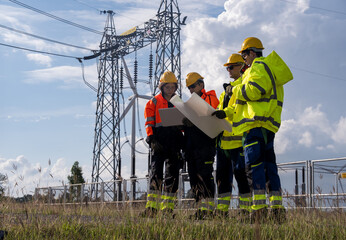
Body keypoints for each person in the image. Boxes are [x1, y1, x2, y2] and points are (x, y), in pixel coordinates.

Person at [213, 37, 293, 223]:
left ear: (250, 53)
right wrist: (224, 113)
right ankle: (276, 210)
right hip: (265, 124)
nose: (244, 61)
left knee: (254, 167)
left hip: (254, 125)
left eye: (244, 55)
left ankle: (258, 212)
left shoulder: (258, 67)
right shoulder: (266, 69)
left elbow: (254, 91)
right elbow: (240, 106)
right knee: (268, 167)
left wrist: (234, 91)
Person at [212, 54, 252, 220]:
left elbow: (237, 109)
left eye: (231, 67)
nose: (228, 70)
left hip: (238, 141)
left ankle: (245, 212)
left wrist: (223, 113)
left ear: (241, 67)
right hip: (223, 143)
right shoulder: (225, 92)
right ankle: (222, 211)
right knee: (221, 178)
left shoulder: (244, 86)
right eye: (227, 67)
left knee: (241, 176)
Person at [141, 71, 184, 217]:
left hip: (174, 141)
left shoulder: (179, 102)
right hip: (159, 141)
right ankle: (151, 208)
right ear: (162, 87)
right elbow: (149, 122)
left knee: (172, 175)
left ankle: (167, 209)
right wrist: (151, 139)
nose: (170, 90)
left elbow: (184, 123)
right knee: (156, 173)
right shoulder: (153, 102)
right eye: (168, 87)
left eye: (173, 87)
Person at [183, 72, 219, 220]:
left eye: (192, 86)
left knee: (205, 176)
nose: (191, 90)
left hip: (205, 146)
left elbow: (212, 118)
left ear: (201, 85)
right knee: (194, 178)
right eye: (189, 88)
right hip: (191, 147)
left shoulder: (211, 97)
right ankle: (200, 209)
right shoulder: (189, 104)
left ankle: (209, 211)